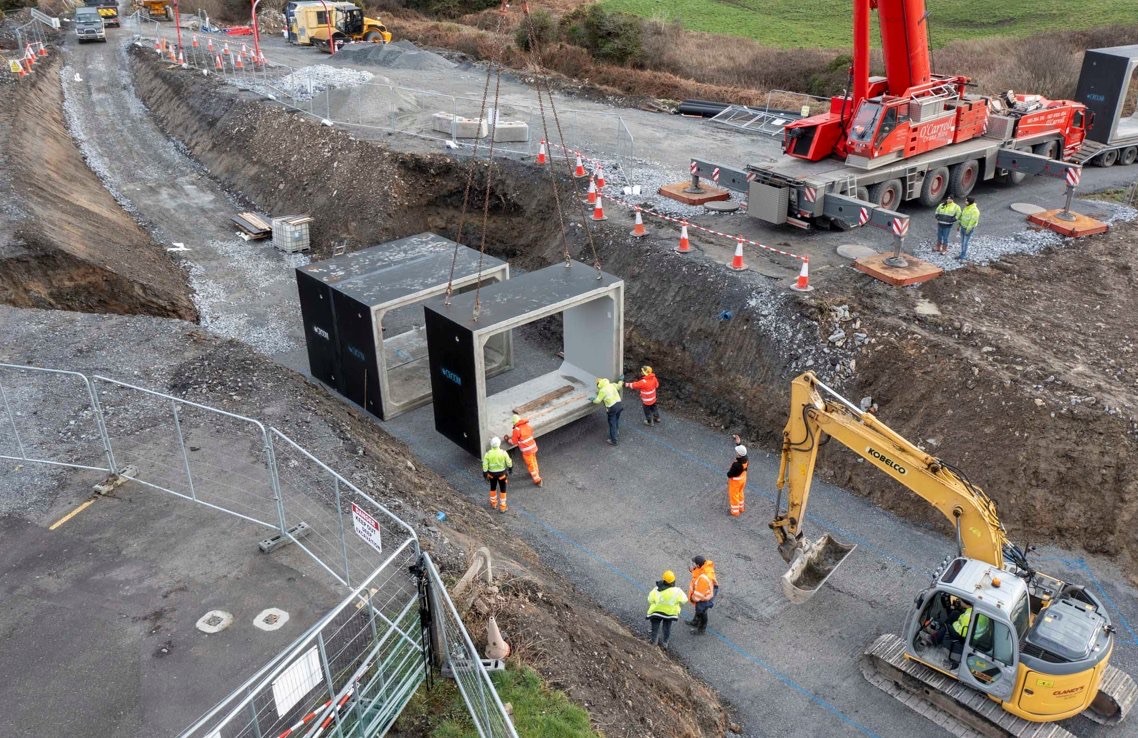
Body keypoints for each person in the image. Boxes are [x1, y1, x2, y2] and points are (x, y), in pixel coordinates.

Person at [646, 570, 687, 648]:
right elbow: (684, 600)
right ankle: (665, 643)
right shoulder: (678, 591)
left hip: (656, 613)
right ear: (673, 581)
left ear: (664, 580)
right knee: (667, 628)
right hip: (670, 614)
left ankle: (654, 642)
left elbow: (650, 599)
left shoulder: (656, 589)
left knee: (655, 627)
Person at [507, 414, 542, 487]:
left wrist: (508, 440)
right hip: (533, 447)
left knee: (530, 464)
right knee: (534, 460)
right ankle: (536, 471)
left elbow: (514, 442)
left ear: (514, 422)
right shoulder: (527, 426)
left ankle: (537, 480)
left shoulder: (516, 430)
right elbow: (529, 433)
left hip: (527, 451)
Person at [686, 556, 718, 635]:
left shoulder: (703, 579)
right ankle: (695, 621)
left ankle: (701, 629)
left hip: (705, 595)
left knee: (702, 611)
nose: (692, 566)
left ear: (698, 565)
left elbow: (698, 595)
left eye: (694, 564)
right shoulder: (704, 568)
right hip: (706, 591)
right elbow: (697, 572)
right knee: (699, 609)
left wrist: (693, 598)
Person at [481, 436, 512, 513]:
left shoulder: (488, 454)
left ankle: (493, 504)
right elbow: (508, 462)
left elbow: (485, 465)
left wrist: (485, 473)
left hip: (492, 475)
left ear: (491, 445)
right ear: (499, 444)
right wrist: (510, 468)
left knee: (493, 488)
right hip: (502, 475)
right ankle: (503, 507)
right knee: (503, 490)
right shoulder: (503, 453)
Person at [593, 377, 624, 446]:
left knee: (612, 423)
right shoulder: (611, 385)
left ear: (599, 384)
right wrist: (621, 380)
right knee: (616, 419)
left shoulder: (602, 391)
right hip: (619, 405)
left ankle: (614, 440)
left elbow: (598, 401)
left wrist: (593, 400)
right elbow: (619, 386)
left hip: (612, 408)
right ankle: (617, 431)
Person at [727, 436, 748, 517]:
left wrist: (728, 474)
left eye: (737, 452)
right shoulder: (745, 458)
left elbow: (730, 474)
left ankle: (735, 511)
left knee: (734, 495)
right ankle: (741, 508)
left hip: (735, 482)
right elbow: (742, 452)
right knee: (740, 493)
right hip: (743, 480)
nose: (736, 453)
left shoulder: (737, 465)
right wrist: (738, 443)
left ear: (739, 455)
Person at [957, 196, 980, 261]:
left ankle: (963, 255)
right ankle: (962, 254)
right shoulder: (966, 208)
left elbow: (972, 222)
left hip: (967, 229)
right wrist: (959, 225)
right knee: (962, 242)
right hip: (962, 227)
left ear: (970, 202)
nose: (965, 202)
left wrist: (967, 230)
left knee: (965, 242)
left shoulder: (975, 211)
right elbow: (962, 217)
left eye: (966, 201)